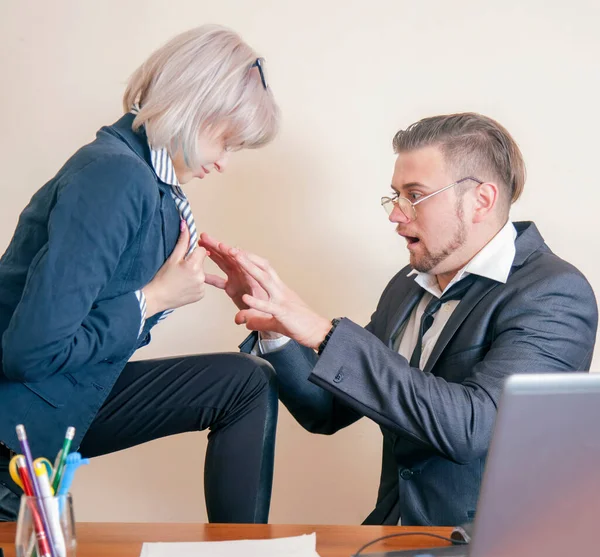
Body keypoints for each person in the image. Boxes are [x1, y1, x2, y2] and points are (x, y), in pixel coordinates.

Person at [201, 112, 598, 526]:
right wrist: (275, 327)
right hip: (390, 540)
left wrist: (323, 333)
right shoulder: (408, 284)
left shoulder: (554, 293)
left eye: (416, 195)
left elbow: (473, 429)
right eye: (395, 195)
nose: (396, 214)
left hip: (486, 555)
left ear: (482, 200)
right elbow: (329, 410)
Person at [0, 25, 280, 524]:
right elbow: (32, 351)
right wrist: (152, 300)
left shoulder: (147, 181)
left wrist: (191, 293)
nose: (223, 163)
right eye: (227, 142)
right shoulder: (115, 175)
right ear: (196, 109)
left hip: (66, 395)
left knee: (245, 382)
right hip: (16, 421)